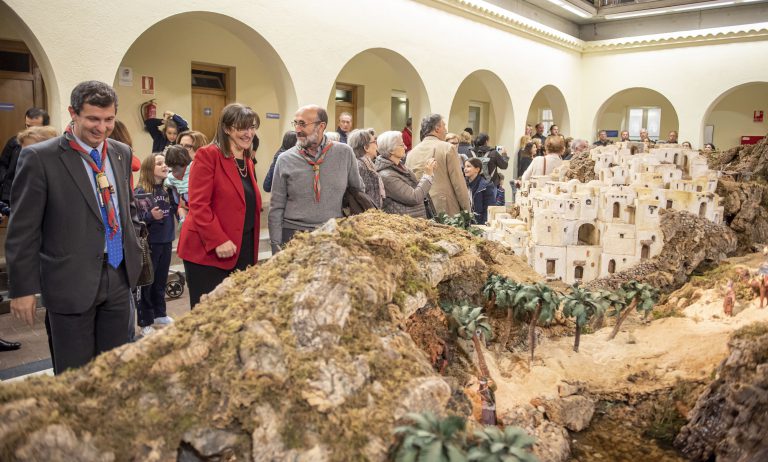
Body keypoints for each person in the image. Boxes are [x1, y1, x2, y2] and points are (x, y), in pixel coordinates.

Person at [7, 80, 143, 374]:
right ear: (73, 113)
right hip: (70, 280)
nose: (102, 127)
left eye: (109, 119)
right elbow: (23, 230)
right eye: (93, 118)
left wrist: (133, 245)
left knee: (114, 371)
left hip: (118, 274)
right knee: (75, 375)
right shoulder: (40, 157)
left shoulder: (120, 152)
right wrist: (23, 288)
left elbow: (125, 207)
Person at [177, 103, 262, 309]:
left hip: (242, 249)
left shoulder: (246, 158)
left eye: (252, 127)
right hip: (209, 251)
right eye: (242, 127)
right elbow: (198, 204)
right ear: (226, 128)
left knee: (236, 314)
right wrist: (218, 240)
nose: (248, 133)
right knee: (209, 316)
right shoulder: (208, 155)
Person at [268, 105, 363, 253]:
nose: (298, 130)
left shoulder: (344, 153)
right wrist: (275, 244)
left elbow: (358, 191)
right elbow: (276, 206)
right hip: (294, 235)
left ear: (321, 126)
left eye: (303, 124)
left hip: (333, 234)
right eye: (296, 123)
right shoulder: (285, 159)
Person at [134, 152, 177, 335]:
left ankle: (160, 313)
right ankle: (145, 321)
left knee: (160, 280)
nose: (164, 166)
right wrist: (151, 216)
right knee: (147, 284)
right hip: (150, 243)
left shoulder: (167, 189)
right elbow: (134, 218)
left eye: (165, 163)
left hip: (166, 241)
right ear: (149, 169)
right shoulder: (140, 192)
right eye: (159, 163)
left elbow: (177, 207)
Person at [405, 114, 470, 216]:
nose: (446, 130)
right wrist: (467, 211)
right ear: (437, 128)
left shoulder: (411, 153)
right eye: (444, 126)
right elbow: (458, 183)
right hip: (444, 209)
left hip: (418, 209)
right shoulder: (448, 148)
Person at [375, 131, 435, 218]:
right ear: (391, 150)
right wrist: (427, 175)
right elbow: (414, 197)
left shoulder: (401, 167)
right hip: (405, 223)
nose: (406, 147)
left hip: (414, 219)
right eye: (402, 145)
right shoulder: (386, 176)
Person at [0, 107, 50, 204]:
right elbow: (2, 164)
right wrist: (4, 179)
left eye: (34, 128)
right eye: (27, 126)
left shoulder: (52, 146)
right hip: (12, 196)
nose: (29, 131)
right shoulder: (15, 142)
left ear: (45, 127)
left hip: (39, 198)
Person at [348, 128, 385, 208]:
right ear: (366, 147)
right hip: (366, 215)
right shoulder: (359, 166)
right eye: (374, 142)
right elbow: (362, 196)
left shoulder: (368, 164)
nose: (376, 145)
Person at [164, 145, 193, 225]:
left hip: (184, 197)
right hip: (193, 196)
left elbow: (167, 183)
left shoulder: (170, 176)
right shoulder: (192, 166)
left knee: (181, 209)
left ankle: (183, 220)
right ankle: (184, 220)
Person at [464, 157, 495, 225]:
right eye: (465, 166)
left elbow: (489, 208)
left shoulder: (486, 186)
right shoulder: (462, 184)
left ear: (477, 169)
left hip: (479, 223)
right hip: (465, 222)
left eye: (468, 166)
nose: (465, 169)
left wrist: (483, 225)